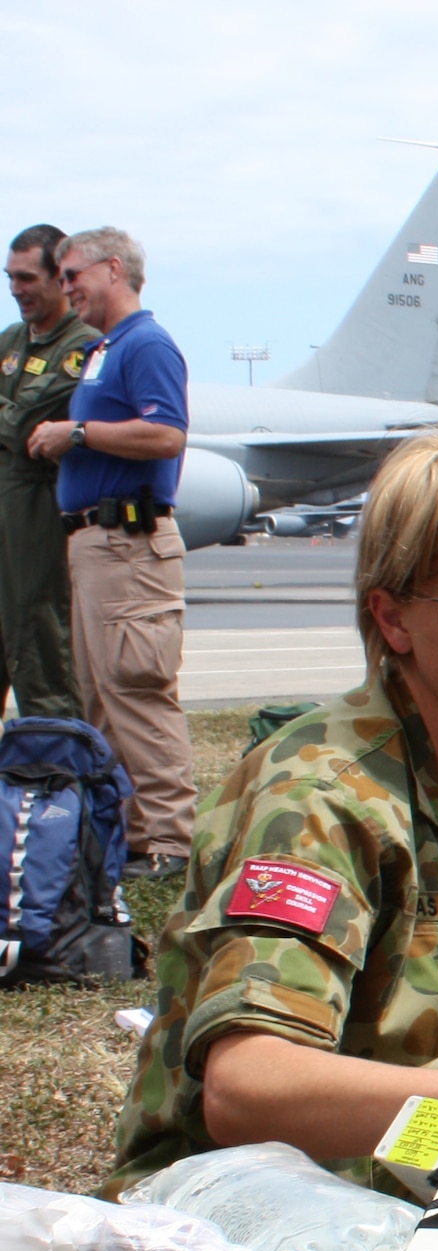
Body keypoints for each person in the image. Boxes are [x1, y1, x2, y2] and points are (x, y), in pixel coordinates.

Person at [105, 425, 438, 1200]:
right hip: (233, 1207)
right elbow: (243, 1088)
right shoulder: (319, 797)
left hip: (421, 1182)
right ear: (394, 620)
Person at [25, 227, 195, 876]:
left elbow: (166, 434)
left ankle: (174, 842)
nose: (64, 288)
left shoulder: (145, 343)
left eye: (73, 275)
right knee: (102, 696)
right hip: (96, 546)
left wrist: (78, 433)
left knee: (137, 690)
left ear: (114, 269)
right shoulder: (105, 348)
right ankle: (135, 837)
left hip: (129, 543)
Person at [0, 224, 93, 719]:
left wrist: (14, 420)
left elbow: (25, 430)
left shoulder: (83, 346)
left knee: (42, 656)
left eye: (27, 278)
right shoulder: (12, 341)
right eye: (9, 278)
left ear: (61, 277)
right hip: (5, 521)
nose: (16, 289)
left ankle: (61, 780)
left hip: (40, 527)